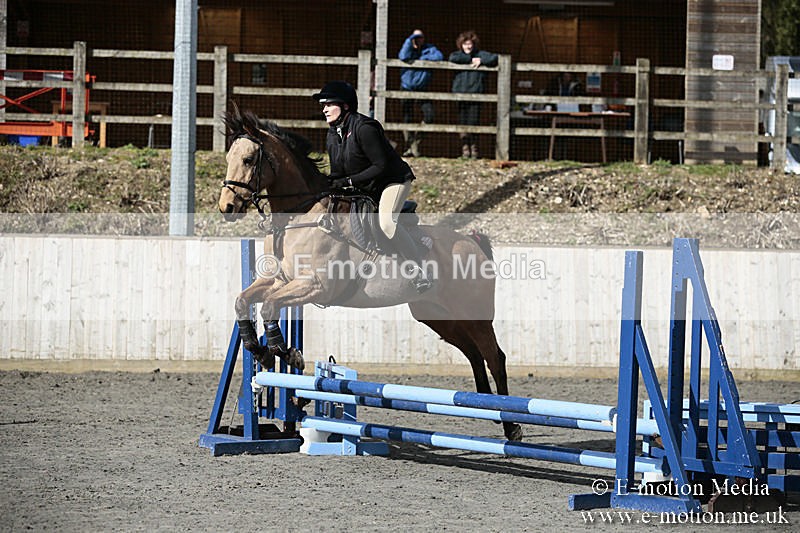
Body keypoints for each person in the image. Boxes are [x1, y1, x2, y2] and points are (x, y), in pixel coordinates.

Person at [312, 81, 431, 293]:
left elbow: (381, 166)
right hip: (366, 186)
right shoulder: (332, 134)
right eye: (323, 105)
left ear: (345, 106)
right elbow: (338, 173)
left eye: (329, 104)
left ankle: (417, 270)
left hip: (392, 181)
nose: (324, 109)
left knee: (385, 223)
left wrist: (348, 182)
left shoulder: (365, 128)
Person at [449, 30, 498, 159]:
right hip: (460, 94)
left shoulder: (481, 54)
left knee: (474, 121)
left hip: (476, 94)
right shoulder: (458, 55)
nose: (468, 46)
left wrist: (481, 60)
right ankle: (465, 149)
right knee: (463, 122)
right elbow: (452, 58)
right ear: (461, 45)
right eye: (465, 44)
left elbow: (494, 58)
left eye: (470, 44)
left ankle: (474, 150)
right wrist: (471, 59)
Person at [398, 29, 443, 157]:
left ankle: (415, 143)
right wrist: (410, 41)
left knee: (429, 116)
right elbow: (403, 56)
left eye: (420, 37)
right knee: (407, 118)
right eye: (415, 37)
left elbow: (439, 57)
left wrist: (423, 58)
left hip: (422, 87)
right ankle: (409, 147)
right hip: (407, 87)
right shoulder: (408, 48)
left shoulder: (429, 48)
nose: (418, 39)